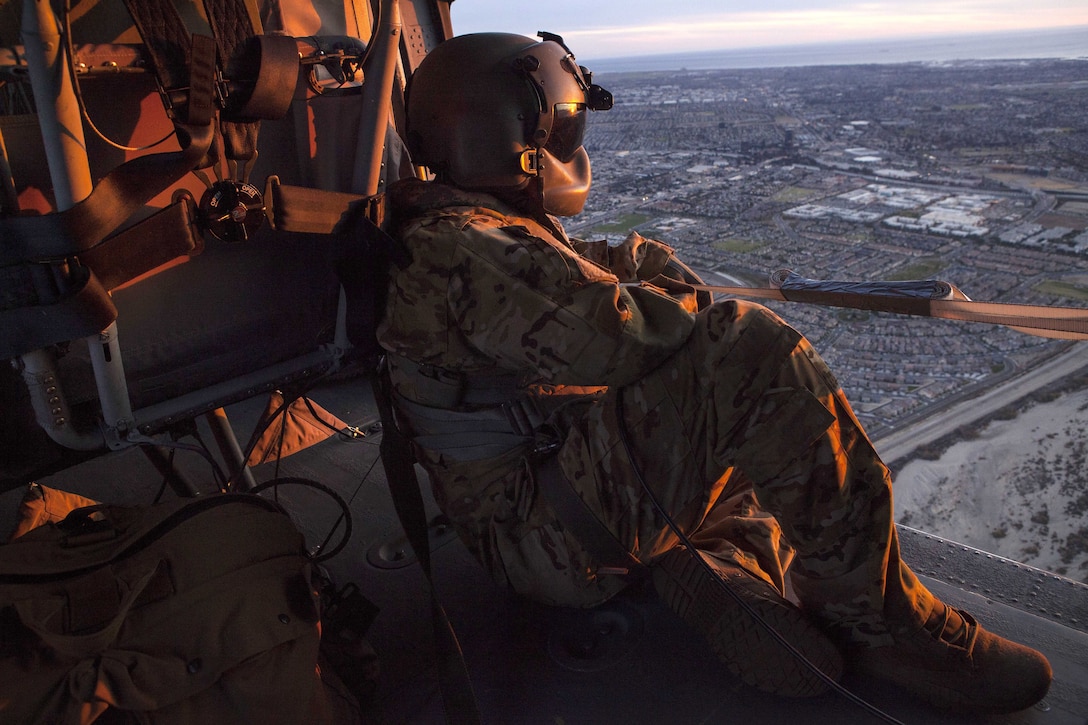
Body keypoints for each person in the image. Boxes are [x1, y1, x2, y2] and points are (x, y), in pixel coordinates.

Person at [374, 31, 1052, 714]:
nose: (571, 132)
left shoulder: (467, 227)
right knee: (754, 357)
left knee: (760, 452)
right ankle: (881, 624)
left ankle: (721, 566)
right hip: (543, 534)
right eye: (559, 115)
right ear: (504, 131)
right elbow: (626, 334)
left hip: (548, 500)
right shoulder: (460, 248)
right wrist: (673, 296)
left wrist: (648, 272)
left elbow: (603, 265)